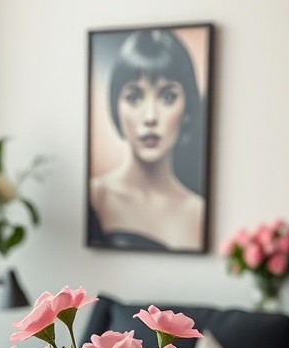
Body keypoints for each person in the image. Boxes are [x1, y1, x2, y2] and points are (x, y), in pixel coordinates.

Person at [88, 28, 207, 252]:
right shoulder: (96, 197)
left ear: (188, 107)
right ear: (116, 105)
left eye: (167, 97)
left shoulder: (198, 213)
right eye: (134, 97)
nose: (150, 117)